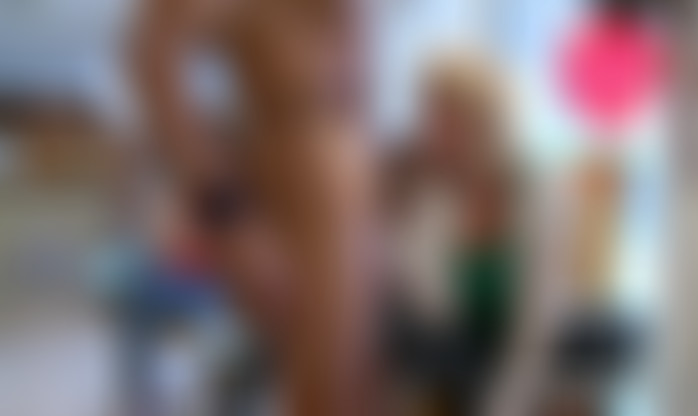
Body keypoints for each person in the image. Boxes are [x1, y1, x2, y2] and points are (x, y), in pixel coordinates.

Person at [133, 1, 382, 415]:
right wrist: (227, 214)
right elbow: (152, 58)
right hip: (299, 174)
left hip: (353, 185)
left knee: (359, 390)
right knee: (324, 394)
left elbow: (356, 85)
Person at [385, 52, 523, 416]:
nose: (431, 130)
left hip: (493, 364)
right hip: (427, 359)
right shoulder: (419, 188)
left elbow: (528, 329)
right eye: (429, 115)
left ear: (483, 123)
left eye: (448, 118)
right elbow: (411, 294)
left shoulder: (524, 194)